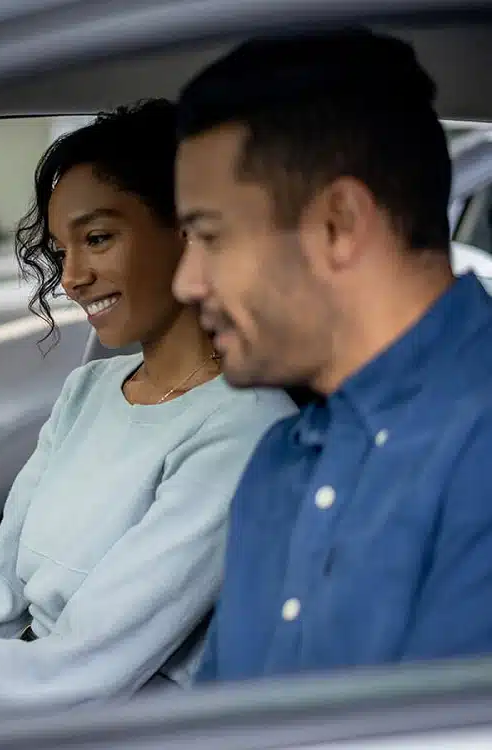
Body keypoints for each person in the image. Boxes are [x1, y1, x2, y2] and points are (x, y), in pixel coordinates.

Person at [0, 100, 296, 725]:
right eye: (61, 249)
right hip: (19, 694)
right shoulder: (91, 390)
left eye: (98, 238)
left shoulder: (242, 426)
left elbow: (82, 672)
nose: (71, 278)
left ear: (189, 228)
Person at [173, 28, 492, 682]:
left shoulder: (478, 446)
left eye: (210, 236)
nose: (186, 282)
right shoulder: (277, 462)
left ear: (338, 226)